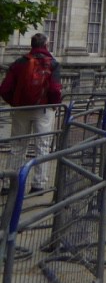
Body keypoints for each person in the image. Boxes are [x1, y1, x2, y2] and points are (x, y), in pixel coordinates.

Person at [0, 33, 63, 195]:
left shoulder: (19, 62)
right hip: (43, 109)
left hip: (20, 109)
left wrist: (14, 102)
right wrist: (54, 105)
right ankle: (38, 185)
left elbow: (4, 89)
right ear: (46, 45)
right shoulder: (52, 63)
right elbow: (55, 89)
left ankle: (10, 183)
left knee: (17, 146)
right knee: (42, 146)